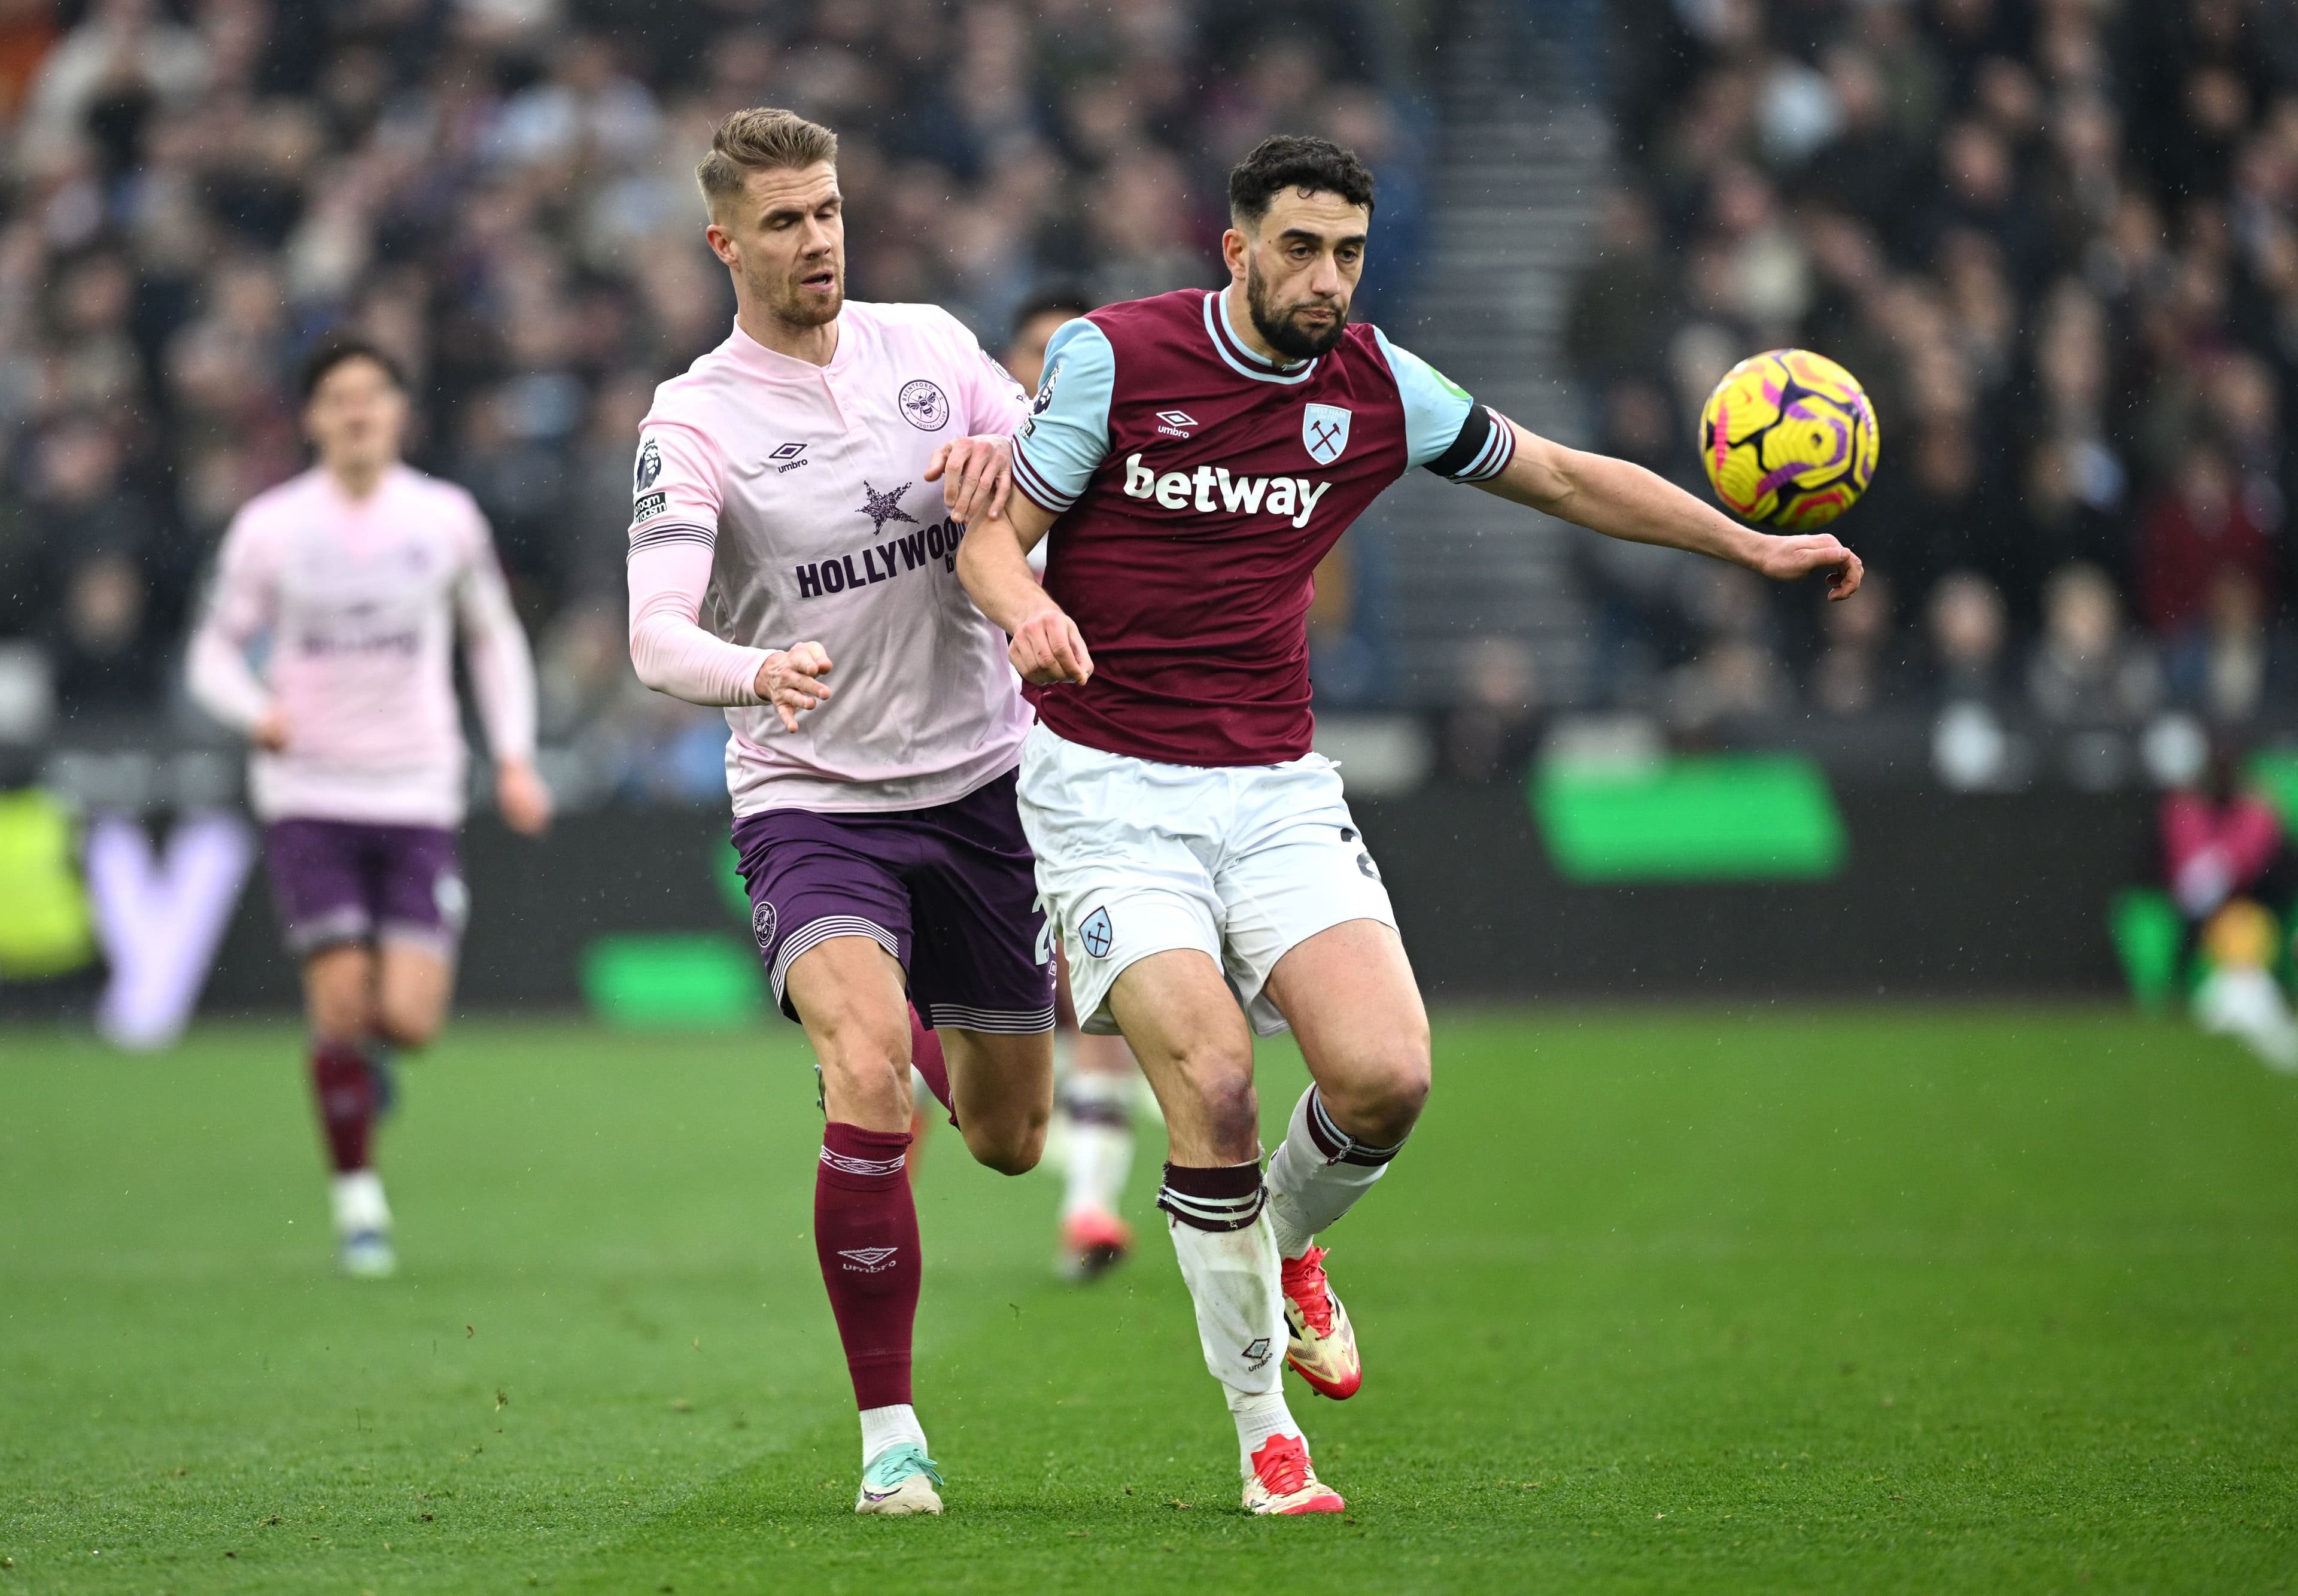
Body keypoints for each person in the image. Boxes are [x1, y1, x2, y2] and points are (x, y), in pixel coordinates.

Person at [957, 134, 1864, 1515]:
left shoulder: (1377, 383)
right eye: (1303, 249)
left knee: (1387, 1078)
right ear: (1237, 249)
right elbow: (988, 533)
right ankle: (1267, 1431)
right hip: (1105, 788)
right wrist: (1027, 610)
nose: (1328, 279)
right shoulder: (1113, 357)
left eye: (1351, 253)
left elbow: (1559, 477)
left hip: (1272, 787)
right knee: (1205, 1080)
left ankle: (1285, 1233)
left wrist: (1747, 547)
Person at [622, 107, 1054, 1519]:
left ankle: (910, 1024)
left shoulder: (928, 346)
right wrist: (759, 670)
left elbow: (1055, 471)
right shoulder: (694, 419)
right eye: (787, 222)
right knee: (868, 1077)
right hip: (813, 795)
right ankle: (891, 1435)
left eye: (829, 212)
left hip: (984, 783)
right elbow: (652, 639)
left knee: (1007, 1137)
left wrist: (1016, 475)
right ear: (724, 241)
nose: (817, 241)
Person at [186, 333, 551, 1279]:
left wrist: (513, 757)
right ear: (311, 418)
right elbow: (213, 652)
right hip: (309, 790)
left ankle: (368, 1069)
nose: (357, 413)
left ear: (398, 412)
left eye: (373, 397)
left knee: (412, 1022)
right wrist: (255, 710)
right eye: (339, 399)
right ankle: (359, 1205)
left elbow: (492, 638)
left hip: (419, 788)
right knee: (342, 1003)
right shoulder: (271, 528)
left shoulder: (445, 519)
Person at [1004, 284, 1145, 1281]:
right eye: (1037, 355)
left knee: (1100, 1004)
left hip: (1088, 778)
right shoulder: (976, 485)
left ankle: (1091, 1208)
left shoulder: (1130, 485)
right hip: (972, 782)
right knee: (962, 1027)